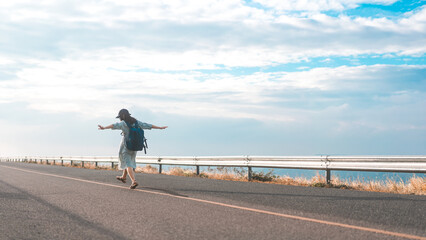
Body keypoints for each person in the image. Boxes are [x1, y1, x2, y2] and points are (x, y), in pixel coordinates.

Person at [98, 109, 167, 189]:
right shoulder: (136, 122)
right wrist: (160, 128)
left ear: (122, 116)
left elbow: (114, 125)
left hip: (126, 146)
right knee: (128, 162)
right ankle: (123, 177)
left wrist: (104, 128)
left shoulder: (123, 123)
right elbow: (147, 125)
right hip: (135, 146)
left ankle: (134, 181)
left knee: (128, 164)